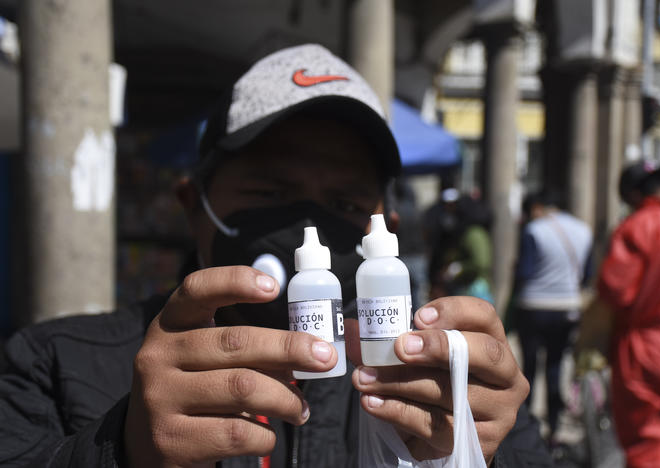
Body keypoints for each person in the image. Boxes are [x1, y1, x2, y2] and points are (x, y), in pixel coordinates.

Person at [0, 44, 548, 467]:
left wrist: (481, 448)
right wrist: (120, 450)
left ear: (384, 227)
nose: (306, 224)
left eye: (343, 201)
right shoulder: (52, 365)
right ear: (195, 207)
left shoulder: (449, 385)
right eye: (269, 193)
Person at [594, 160, 660, 468]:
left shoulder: (639, 225)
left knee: (647, 441)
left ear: (631, 194)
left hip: (648, 349)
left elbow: (616, 290)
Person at [513, 191, 592, 438]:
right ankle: (555, 426)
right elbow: (588, 275)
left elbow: (524, 272)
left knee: (529, 367)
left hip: (534, 306)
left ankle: (527, 427)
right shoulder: (583, 230)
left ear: (538, 207)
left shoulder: (535, 230)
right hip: (566, 307)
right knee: (556, 365)